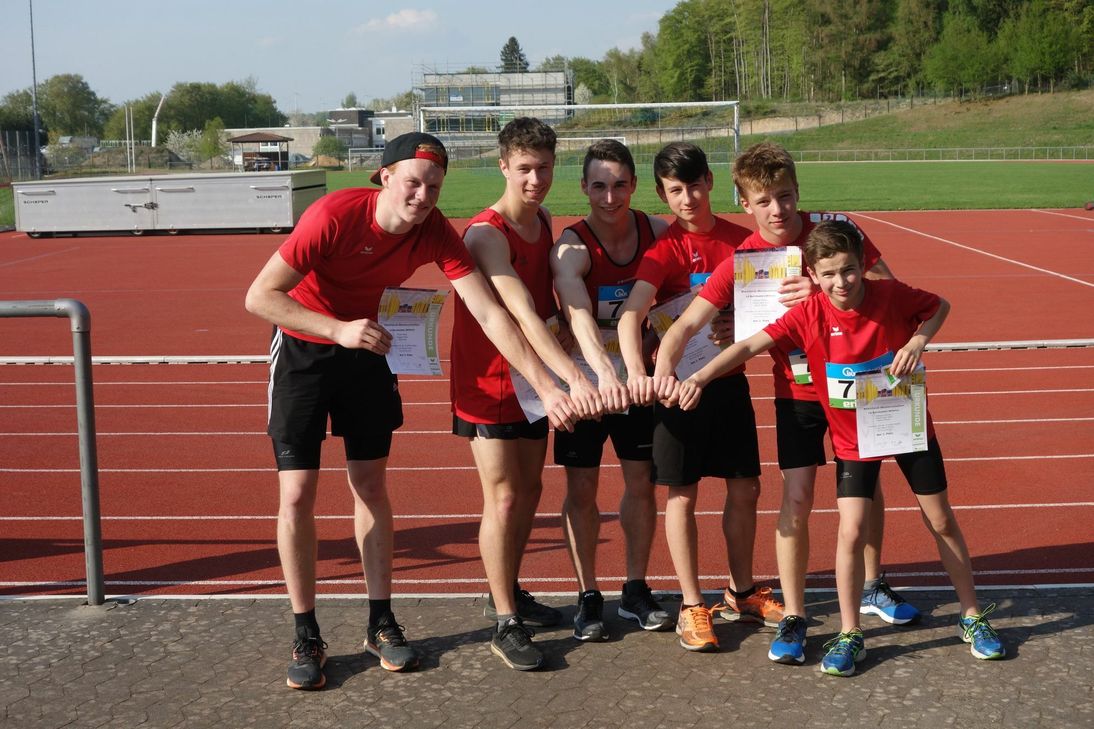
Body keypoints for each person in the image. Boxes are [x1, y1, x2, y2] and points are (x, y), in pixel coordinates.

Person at [244, 131, 581, 690]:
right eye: (412, 183)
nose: (422, 196)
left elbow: (490, 311)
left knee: (371, 485)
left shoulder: (435, 231)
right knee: (298, 493)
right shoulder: (332, 215)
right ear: (384, 177)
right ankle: (306, 630)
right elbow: (260, 297)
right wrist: (336, 329)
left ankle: (381, 621)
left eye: (433, 185)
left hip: (368, 347)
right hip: (306, 345)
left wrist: (544, 387)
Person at [672, 219, 1005, 675]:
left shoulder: (889, 295)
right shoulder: (809, 314)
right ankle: (851, 633)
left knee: (941, 517)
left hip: (905, 423)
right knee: (850, 530)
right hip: (853, 438)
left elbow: (938, 305)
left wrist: (918, 342)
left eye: (849, 270)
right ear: (811, 275)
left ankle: (972, 616)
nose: (841, 282)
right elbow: (749, 344)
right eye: (828, 274)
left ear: (863, 265)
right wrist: (698, 375)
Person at [678, 141, 915, 665]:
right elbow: (696, 321)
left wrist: (824, 292)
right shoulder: (745, 259)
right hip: (799, 391)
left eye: (785, 197)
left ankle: (873, 585)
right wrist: (666, 371)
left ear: (798, 192)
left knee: (867, 489)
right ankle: (795, 615)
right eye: (764, 201)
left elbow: (888, 287)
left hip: (863, 382)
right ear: (746, 204)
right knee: (799, 497)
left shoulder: (834, 234)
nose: (778, 210)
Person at [616, 142, 785, 654]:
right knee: (682, 494)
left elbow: (775, 312)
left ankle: (740, 590)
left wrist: (741, 323)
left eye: (693, 185)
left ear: (711, 181)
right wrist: (638, 371)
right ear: (663, 194)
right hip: (673, 391)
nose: (686, 198)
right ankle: (692, 604)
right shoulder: (661, 249)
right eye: (673, 191)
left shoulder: (745, 240)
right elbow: (631, 313)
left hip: (726, 380)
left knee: (746, 487)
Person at [450, 117, 603, 671]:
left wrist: (571, 337)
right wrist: (577, 379)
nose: (535, 179)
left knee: (533, 487)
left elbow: (547, 309)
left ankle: (506, 591)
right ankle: (505, 621)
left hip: (533, 382)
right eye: (523, 169)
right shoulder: (485, 233)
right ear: (502, 167)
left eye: (543, 167)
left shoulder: (543, 221)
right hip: (490, 380)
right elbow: (518, 313)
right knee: (505, 496)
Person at [550, 139, 673, 641]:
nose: (609, 196)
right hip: (586, 380)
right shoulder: (571, 244)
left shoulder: (657, 231)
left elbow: (683, 298)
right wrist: (601, 373)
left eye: (619, 184)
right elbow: (577, 311)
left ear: (634, 186)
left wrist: (647, 345)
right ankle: (587, 595)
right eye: (598, 185)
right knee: (581, 487)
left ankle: (635, 589)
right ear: (584, 187)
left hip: (637, 380)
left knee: (641, 483)